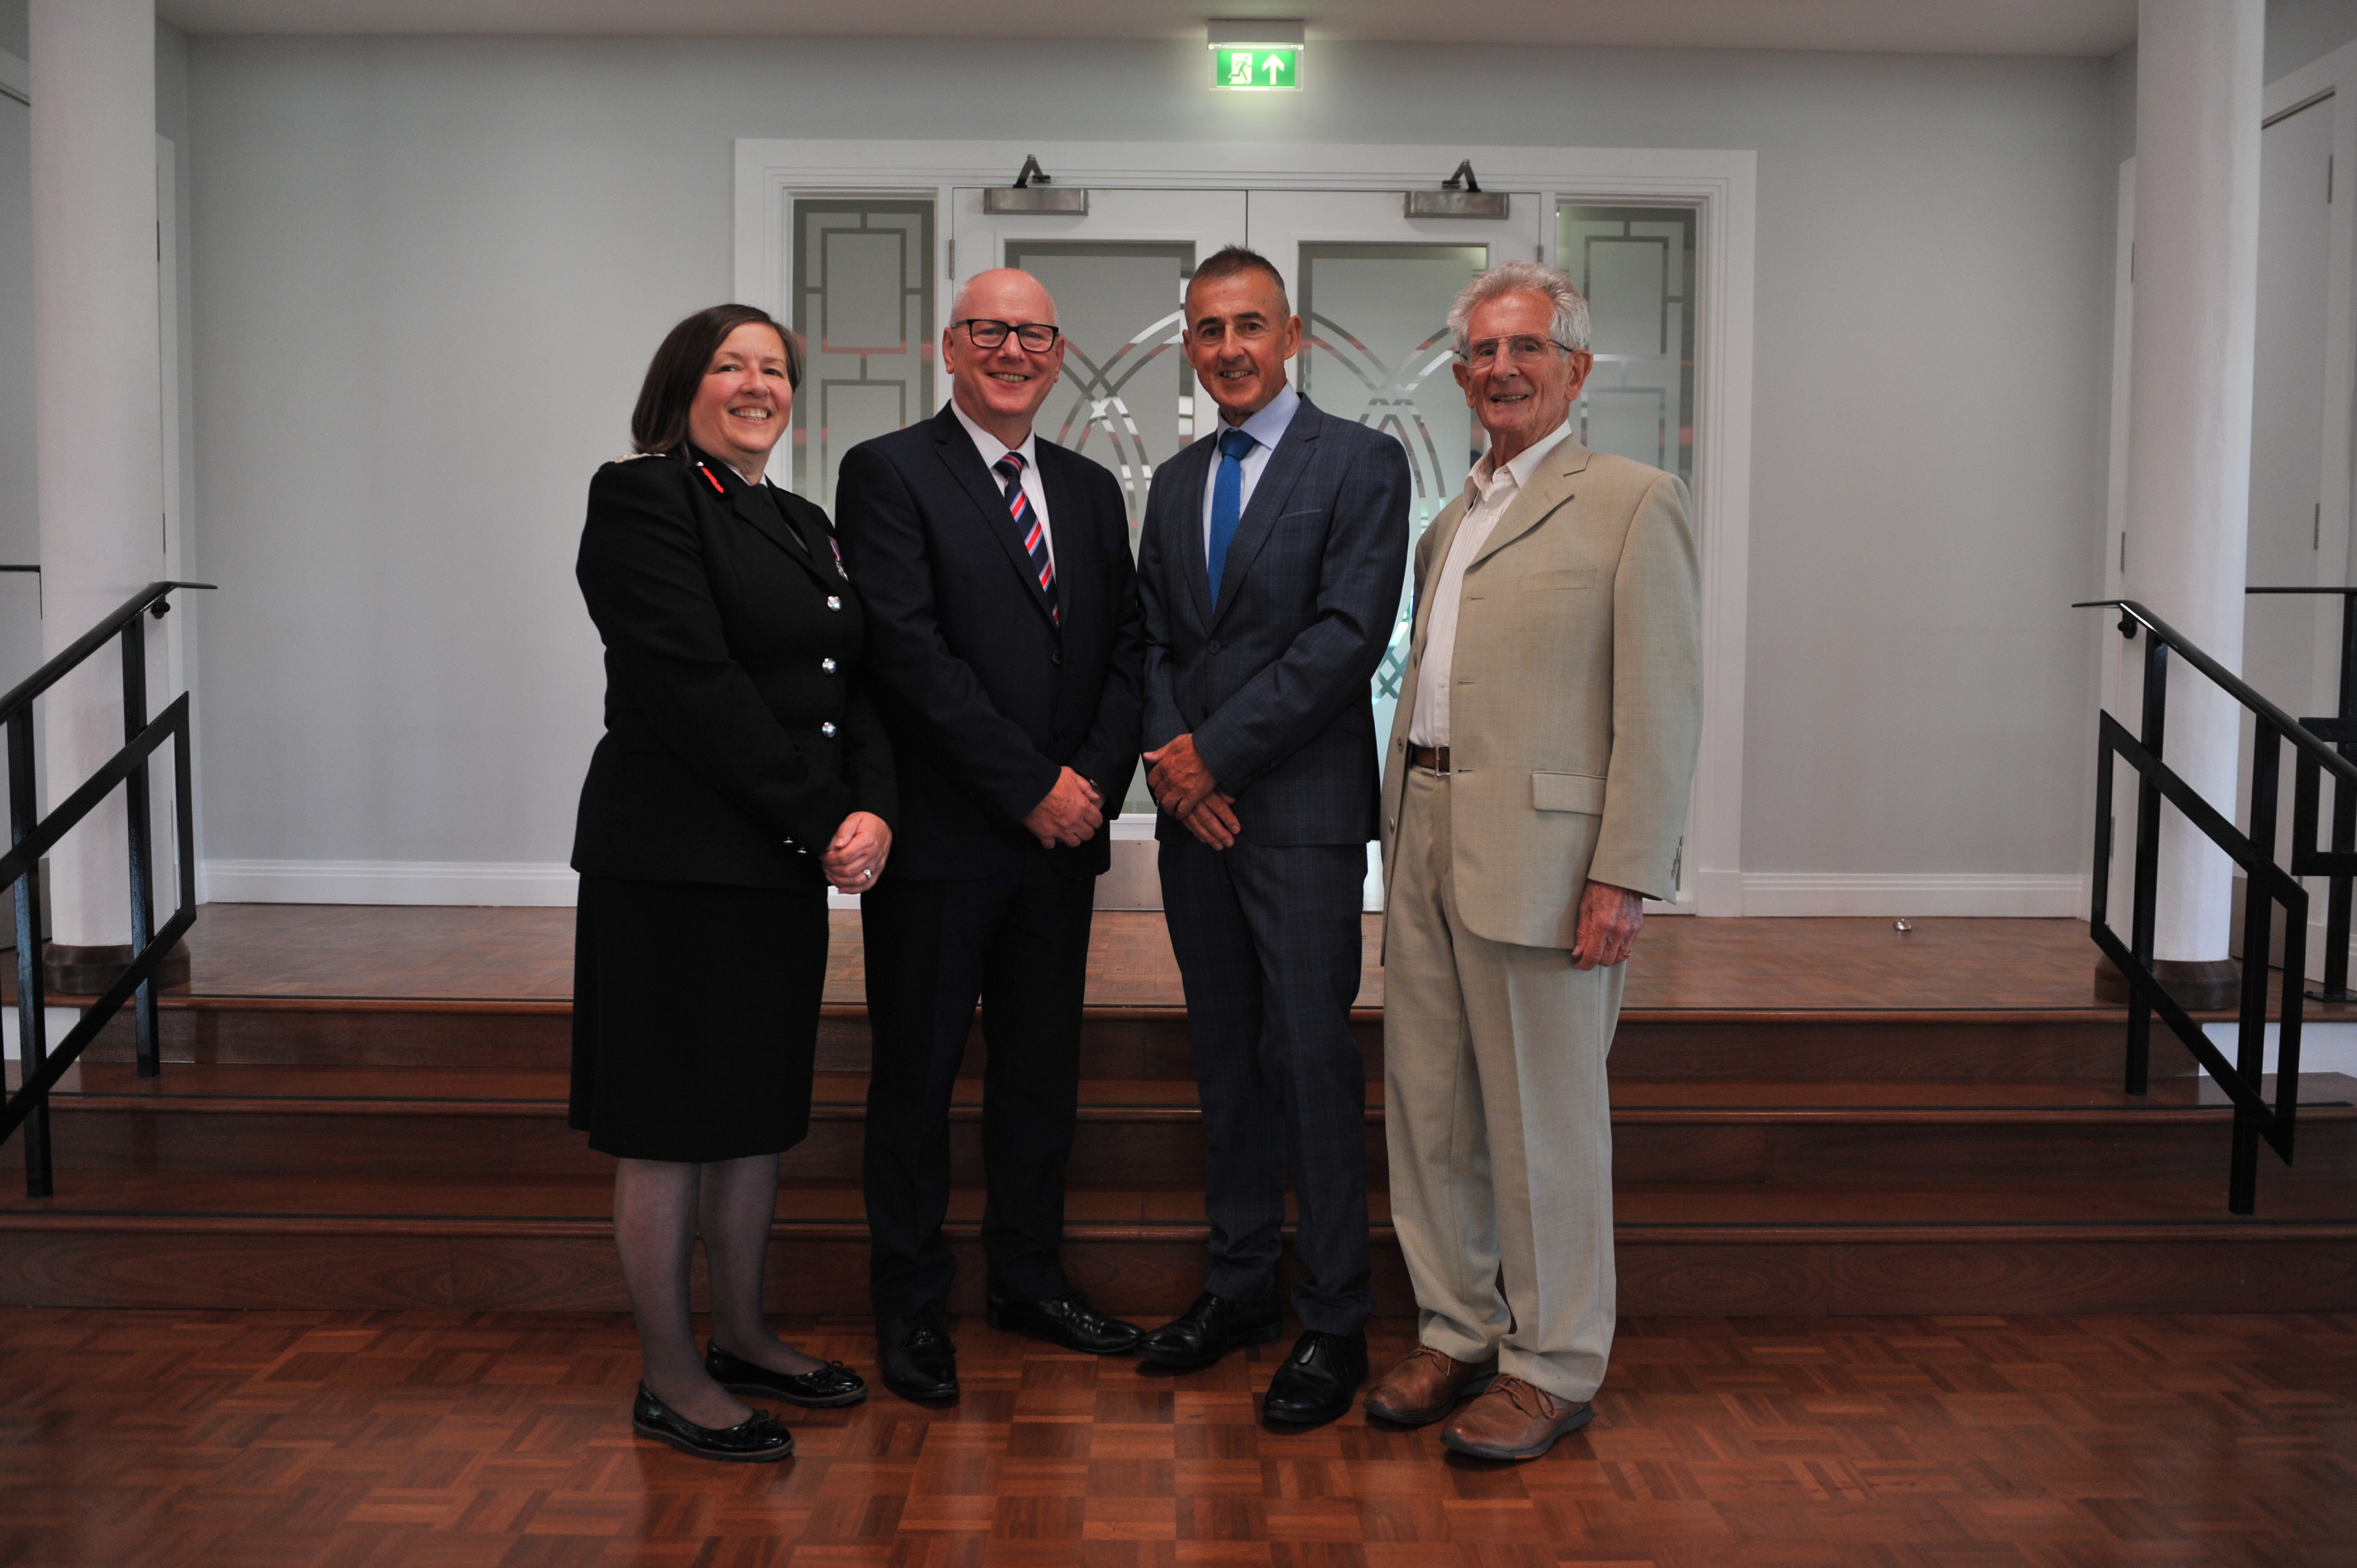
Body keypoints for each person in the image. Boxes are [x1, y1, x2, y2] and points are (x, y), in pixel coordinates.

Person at [1369, 260, 1701, 1460]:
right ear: (1460, 377)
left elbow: (1661, 705)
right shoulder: (1451, 517)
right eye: (1482, 356)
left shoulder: (1632, 500)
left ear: (1576, 368)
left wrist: (1626, 870)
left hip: (1552, 862)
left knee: (1545, 1126)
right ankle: (1456, 1332)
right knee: (1433, 1111)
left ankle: (1553, 1364)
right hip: (1427, 838)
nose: (1500, 371)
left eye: (1526, 350)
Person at [570, 303, 894, 1463]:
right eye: (729, 365)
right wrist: (824, 820)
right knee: (666, 1125)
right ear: (684, 385)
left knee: (753, 1113)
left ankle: (745, 1334)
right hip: (668, 861)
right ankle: (668, 1374)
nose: (755, 384)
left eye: (773, 369)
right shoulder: (643, 495)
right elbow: (693, 685)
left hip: (773, 862)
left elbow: (850, 678)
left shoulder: (800, 519)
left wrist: (872, 810)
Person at [835, 268, 1147, 1402]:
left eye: (1032, 333)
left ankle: (1028, 1277)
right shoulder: (887, 473)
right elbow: (906, 655)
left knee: (1038, 1077)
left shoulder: (1088, 487)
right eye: (989, 331)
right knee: (914, 1083)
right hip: (943, 845)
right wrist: (1027, 784)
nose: (1011, 349)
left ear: (1057, 353)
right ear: (950, 349)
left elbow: (1125, 653)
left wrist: (1091, 788)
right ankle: (912, 1306)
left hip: (1059, 845)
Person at [1132, 246, 1409, 1426]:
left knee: (1306, 1062)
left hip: (1296, 817)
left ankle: (1334, 1317)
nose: (1230, 347)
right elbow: (1147, 642)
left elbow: (1347, 634)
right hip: (1198, 823)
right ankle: (1240, 1286)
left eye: (1250, 325)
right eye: (1208, 329)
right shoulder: (1177, 479)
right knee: (1224, 1064)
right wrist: (1174, 772)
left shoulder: (1362, 463)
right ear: (1188, 347)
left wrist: (1214, 755)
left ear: (1290, 337)